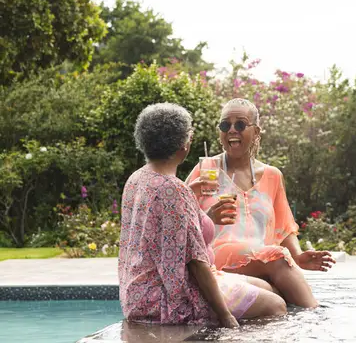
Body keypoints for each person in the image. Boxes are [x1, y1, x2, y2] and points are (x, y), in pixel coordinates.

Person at [118, 103, 286, 328]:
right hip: (163, 298)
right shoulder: (172, 189)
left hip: (137, 292)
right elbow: (197, 263)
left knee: (267, 288)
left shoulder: (138, 178)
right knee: (276, 305)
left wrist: (195, 203)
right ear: (183, 146)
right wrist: (226, 317)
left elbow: (172, 233)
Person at [186, 98, 336, 309]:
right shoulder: (206, 169)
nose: (231, 130)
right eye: (224, 125)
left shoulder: (273, 176)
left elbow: (284, 228)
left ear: (256, 132)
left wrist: (299, 256)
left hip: (262, 261)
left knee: (277, 281)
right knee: (276, 257)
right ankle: (316, 317)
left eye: (240, 124)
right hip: (215, 256)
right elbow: (178, 217)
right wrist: (208, 217)